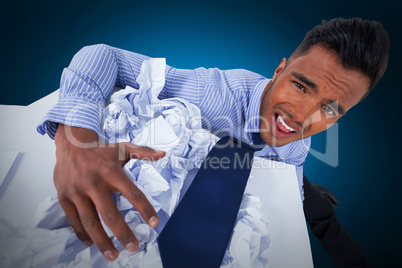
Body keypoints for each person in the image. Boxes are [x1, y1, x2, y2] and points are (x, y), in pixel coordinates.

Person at [38, 17, 389, 264]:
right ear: (279, 69)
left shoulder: (299, 144)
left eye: (329, 109)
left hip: (244, 174)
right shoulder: (209, 96)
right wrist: (75, 143)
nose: (302, 116)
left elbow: (284, 184)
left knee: (314, 205)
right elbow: (103, 55)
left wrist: (295, 196)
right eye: (300, 86)